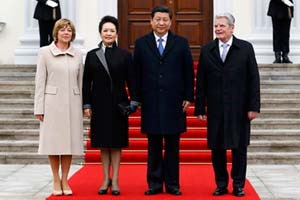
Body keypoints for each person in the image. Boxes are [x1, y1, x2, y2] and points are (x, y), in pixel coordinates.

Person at [194, 13, 260, 197]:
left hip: (239, 108)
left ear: (232, 28)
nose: (218, 29)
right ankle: (221, 184)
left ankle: (238, 184)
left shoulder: (245, 48)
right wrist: (200, 107)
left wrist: (254, 107)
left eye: (222, 26)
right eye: (216, 26)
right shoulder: (207, 50)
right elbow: (201, 81)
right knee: (217, 148)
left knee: (239, 149)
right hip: (216, 108)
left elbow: (254, 79)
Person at [133, 5, 194, 196]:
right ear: (151, 21)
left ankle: (173, 184)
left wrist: (188, 96)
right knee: (154, 146)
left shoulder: (181, 43)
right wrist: (137, 98)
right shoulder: (141, 43)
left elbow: (188, 71)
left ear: (170, 21)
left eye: (165, 19)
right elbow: (136, 74)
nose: (161, 23)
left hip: (174, 102)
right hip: (150, 100)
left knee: (173, 147)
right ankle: (154, 184)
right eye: (157, 19)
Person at [82, 15, 139, 196]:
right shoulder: (92, 55)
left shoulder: (124, 55)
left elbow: (132, 81)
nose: (108, 33)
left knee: (116, 144)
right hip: (99, 105)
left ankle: (115, 180)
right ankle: (105, 178)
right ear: (100, 33)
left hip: (118, 106)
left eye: (112, 31)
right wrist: (86, 104)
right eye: (105, 30)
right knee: (102, 143)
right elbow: (85, 82)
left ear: (117, 34)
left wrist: (134, 101)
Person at [34, 18, 83, 196]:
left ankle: (65, 179)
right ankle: (55, 178)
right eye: (62, 30)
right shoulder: (45, 52)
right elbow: (40, 82)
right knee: (54, 143)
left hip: (72, 103)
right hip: (52, 104)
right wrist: (39, 107)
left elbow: (81, 81)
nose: (65, 33)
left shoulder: (78, 54)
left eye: (69, 30)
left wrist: (83, 105)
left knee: (69, 144)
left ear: (72, 34)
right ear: (56, 33)